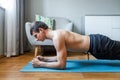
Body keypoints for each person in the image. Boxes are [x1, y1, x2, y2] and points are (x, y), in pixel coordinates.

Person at [30, 21, 120, 69]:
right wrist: (44, 59)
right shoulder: (56, 35)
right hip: (95, 46)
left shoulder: (57, 37)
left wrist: (40, 64)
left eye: (36, 35)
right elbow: (60, 57)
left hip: (98, 45)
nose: (36, 39)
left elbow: (61, 65)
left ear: (41, 30)